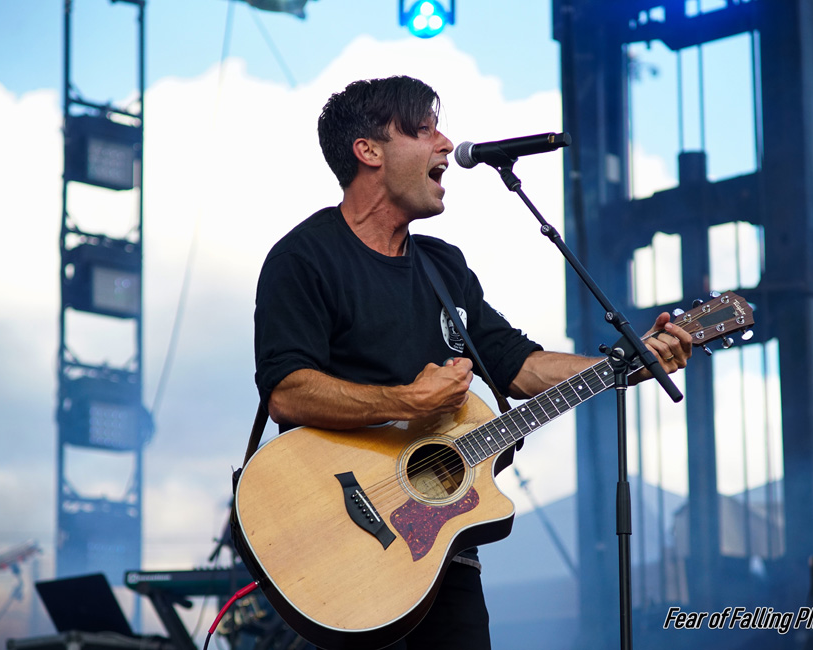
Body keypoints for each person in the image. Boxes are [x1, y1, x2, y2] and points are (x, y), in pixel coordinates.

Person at [253, 75, 692, 650]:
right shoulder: (305, 257)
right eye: (423, 130)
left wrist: (628, 361)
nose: (446, 144)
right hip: (340, 547)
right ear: (368, 151)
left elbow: (519, 365)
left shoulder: (444, 267)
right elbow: (287, 391)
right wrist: (406, 401)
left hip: (444, 552)